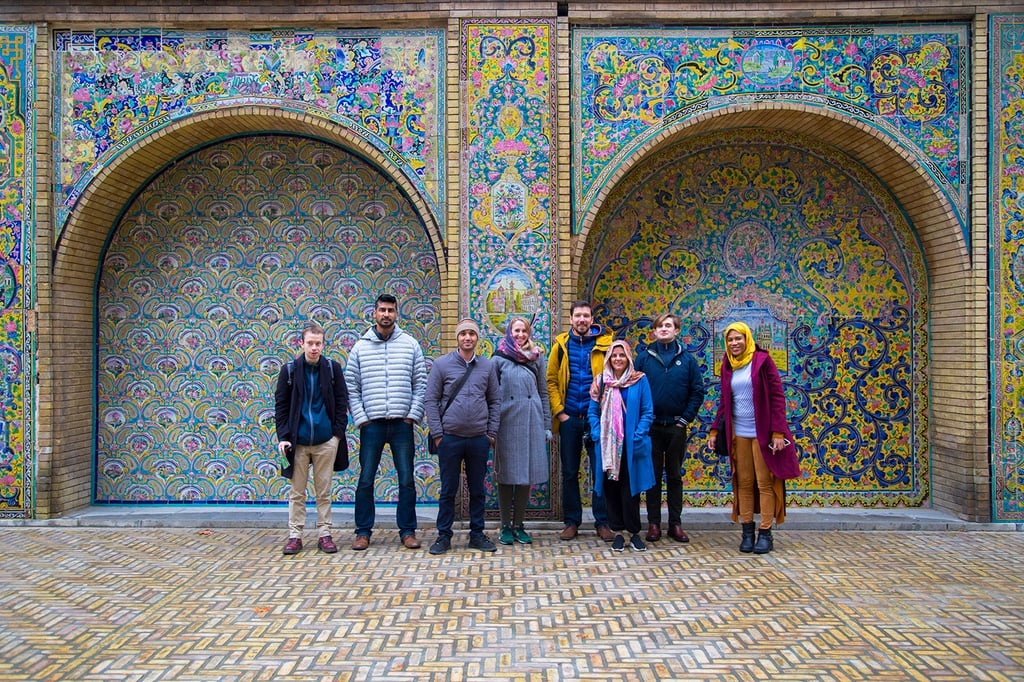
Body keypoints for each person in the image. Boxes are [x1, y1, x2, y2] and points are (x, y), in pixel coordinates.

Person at [709, 322, 800, 554]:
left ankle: (765, 533)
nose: (734, 343)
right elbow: (724, 401)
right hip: (738, 433)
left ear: (747, 338)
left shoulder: (762, 360)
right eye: (730, 340)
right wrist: (714, 431)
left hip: (762, 435)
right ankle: (747, 531)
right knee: (744, 483)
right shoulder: (728, 365)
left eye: (738, 338)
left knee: (765, 483)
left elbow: (777, 396)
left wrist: (778, 432)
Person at [346, 293, 428, 551]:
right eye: (382, 310)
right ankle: (362, 532)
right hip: (373, 425)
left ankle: (407, 531)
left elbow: (421, 382)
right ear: (374, 313)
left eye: (390, 310)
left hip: (401, 425)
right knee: (366, 479)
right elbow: (351, 385)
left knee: (406, 479)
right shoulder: (360, 347)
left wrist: (412, 415)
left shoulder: (410, 344)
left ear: (396, 314)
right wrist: (362, 419)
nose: (386, 314)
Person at [425, 319, 502, 555]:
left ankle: (477, 534)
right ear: (457, 338)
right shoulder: (441, 365)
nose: (467, 338)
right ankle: (443, 535)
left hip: (478, 438)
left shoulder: (487, 367)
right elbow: (430, 399)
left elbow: (495, 400)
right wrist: (438, 434)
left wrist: (491, 433)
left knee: (478, 489)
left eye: (471, 334)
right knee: (448, 488)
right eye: (463, 334)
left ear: (477, 338)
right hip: (450, 438)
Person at [275, 322, 350, 555]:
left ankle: (325, 534)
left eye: (318, 343)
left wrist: (337, 435)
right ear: (301, 343)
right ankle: (295, 535)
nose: (314, 348)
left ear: (323, 344)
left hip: (325, 440)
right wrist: (284, 437)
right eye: (310, 343)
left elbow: (341, 402)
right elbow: (281, 406)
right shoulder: (289, 370)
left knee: (323, 491)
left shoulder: (332, 368)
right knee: (297, 492)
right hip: (298, 442)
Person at [547, 300, 615, 542]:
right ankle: (572, 521)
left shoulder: (605, 344)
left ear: (591, 319)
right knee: (569, 472)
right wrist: (560, 412)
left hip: (596, 419)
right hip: (570, 418)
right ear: (571, 319)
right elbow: (551, 380)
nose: (582, 320)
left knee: (600, 471)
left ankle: (602, 521)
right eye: (578, 316)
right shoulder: (561, 346)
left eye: (586, 316)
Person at [633, 313, 705, 543]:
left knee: (674, 475)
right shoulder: (644, 358)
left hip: (676, 426)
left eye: (668, 326)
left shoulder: (688, 360)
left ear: (676, 330)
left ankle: (675, 524)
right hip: (651, 427)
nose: (663, 329)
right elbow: (633, 388)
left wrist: (685, 419)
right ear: (653, 332)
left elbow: (697, 391)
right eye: (659, 326)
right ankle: (654, 524)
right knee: (652, 476)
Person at [587, 340, 655, 552]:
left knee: (630, 487)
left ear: (628, 358)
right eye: (614, 355)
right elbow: (592, 411)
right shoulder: (601, 381)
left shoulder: (639, 381)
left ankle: (634, 532)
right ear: (609, 358)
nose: (618, 359)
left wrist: (638, 434)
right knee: (611, 488)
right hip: (608, 446)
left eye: (622, 355)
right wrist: (598, 434)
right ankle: (617, 532)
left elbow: (647, 411)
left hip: (630, 445)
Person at [491, 316, 551, 545]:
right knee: (506, 475)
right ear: (509, 332)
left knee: (525, 475)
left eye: (524, 331)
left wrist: (546, 425)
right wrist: (492, 427)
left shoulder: (536, 357)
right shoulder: (498, 358)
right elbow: (492, 396)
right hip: (507, 422)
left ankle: (519, 524)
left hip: (530, 420)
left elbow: (543, 392)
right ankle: (505, 526)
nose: (520, 335)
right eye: (516, 330)